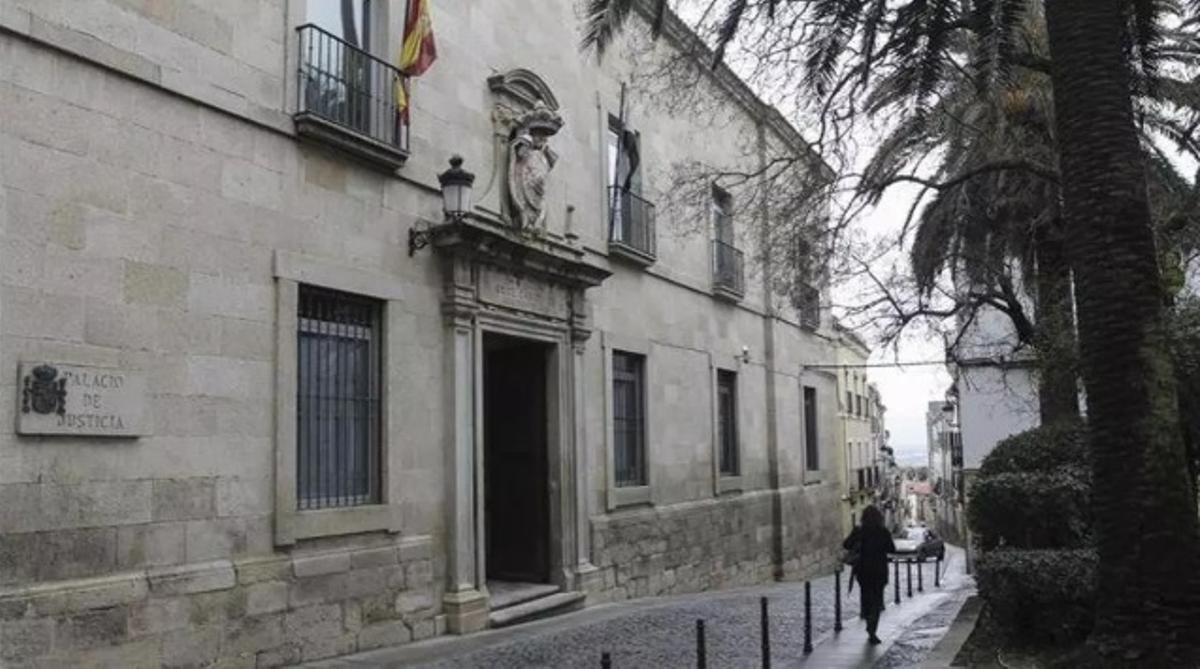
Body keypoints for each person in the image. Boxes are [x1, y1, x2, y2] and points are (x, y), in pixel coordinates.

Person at [843, 505, 896, 644]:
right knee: (877, 600)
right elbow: (892, 548)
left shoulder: (859, 531)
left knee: (866, 596)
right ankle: (872, 629)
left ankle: (867, 617)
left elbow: (846, 545)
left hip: (863, 571)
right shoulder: (883, 531)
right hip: (879, 571)